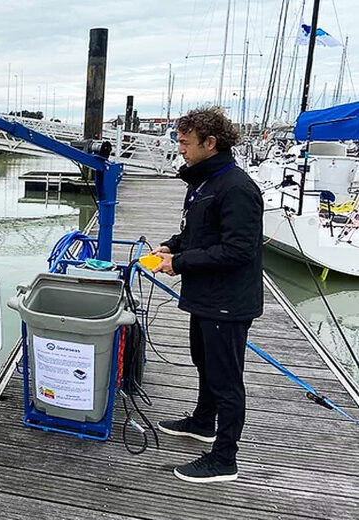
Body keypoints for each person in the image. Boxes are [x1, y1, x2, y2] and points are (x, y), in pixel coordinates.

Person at [151, 106, 263, 483]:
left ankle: (224, 458)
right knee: (204, 363)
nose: (180, 149)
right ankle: (203, 422)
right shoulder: (204, 183)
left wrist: (179, 263)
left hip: (227, 301)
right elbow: (200, 234)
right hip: (207, 296)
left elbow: (238, 250)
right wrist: (172, 246)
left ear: (210, 143)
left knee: (226, 379)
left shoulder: (237, 188)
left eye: (185, 143)